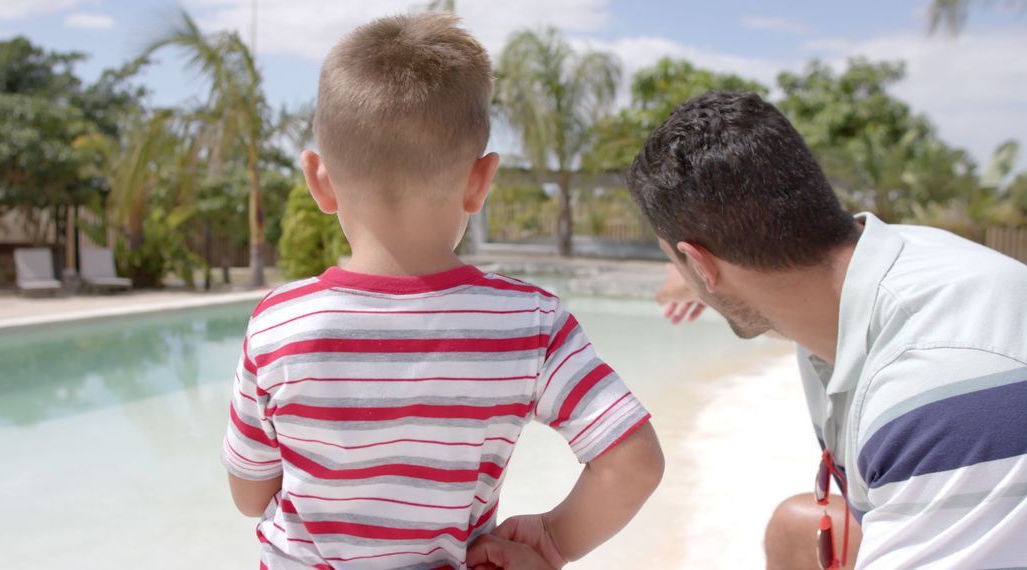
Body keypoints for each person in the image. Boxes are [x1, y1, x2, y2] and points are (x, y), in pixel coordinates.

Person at [478, 90, 1027, 569]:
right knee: (797, 531)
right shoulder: (875, 271)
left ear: (705, 265)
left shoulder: (942, 391)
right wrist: (693, 275)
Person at [219, 13, 664, 570]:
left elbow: (249, 496)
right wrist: (552, 542)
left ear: (319, 180)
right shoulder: (530, 323)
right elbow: (634, 462)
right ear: (481, 181)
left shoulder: (278, 323)